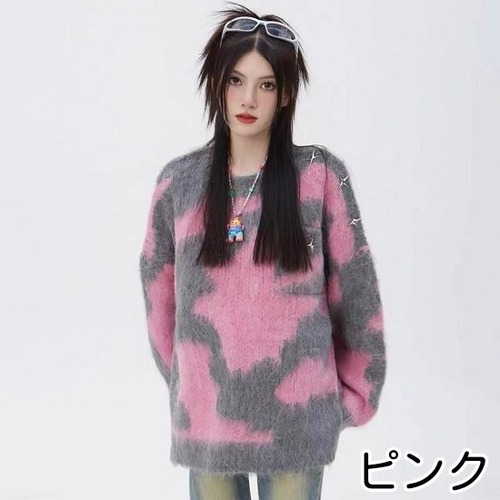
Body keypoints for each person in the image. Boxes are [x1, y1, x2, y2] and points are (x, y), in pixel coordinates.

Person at [139, 2, 387, 499]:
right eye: (236, 80)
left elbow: (358, 295)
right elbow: (159, 302)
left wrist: (348, 398)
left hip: (298, 423)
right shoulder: (179, 184)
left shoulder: (321, 177)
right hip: (207, 425)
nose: (248, 98)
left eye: (266, 84)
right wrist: (192, 388)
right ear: (217, 84)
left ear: (286, 93)